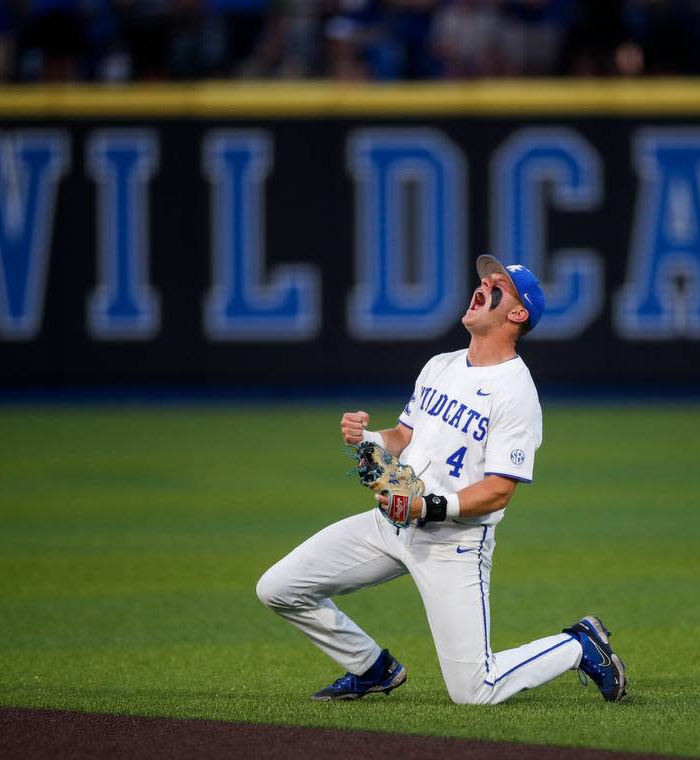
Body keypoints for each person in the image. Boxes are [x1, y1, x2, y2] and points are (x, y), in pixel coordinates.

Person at [256, 254, 627, 704]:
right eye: (485, 277)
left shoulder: (516, 392)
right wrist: (367, 435)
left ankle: (578, 645)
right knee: (279, 588)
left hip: (453, 544)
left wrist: (429, 507)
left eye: (499, 284)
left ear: (517, 313)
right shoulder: (440, 365)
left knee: (475, 690)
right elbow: (402, 436)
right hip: (390, 526)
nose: (484, 283)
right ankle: (372, 668)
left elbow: (499, 490)